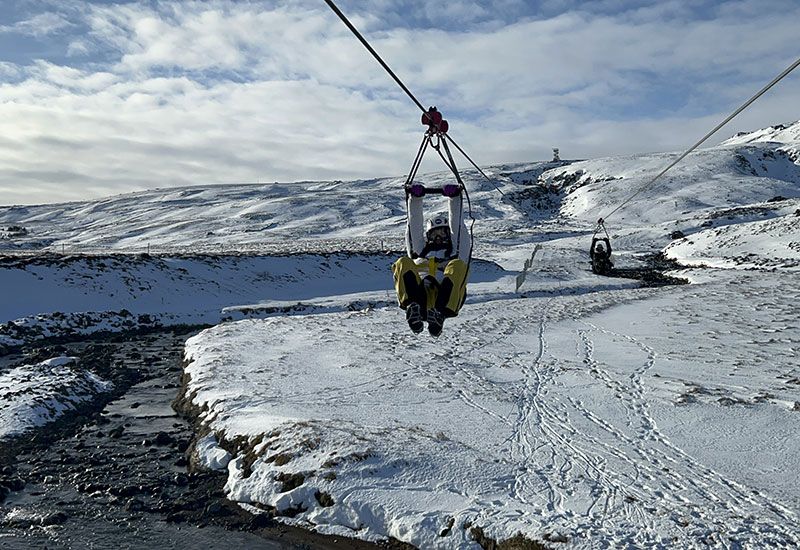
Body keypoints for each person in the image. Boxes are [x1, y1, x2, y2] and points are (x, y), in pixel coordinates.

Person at [392, 183, 471, 337]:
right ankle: (412, 307)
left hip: (446, 295)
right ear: (428, 236)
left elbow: (458, 227)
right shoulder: (419, 250)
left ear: (448, 234)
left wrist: (454, 198)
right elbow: (413, 226)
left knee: (457, 266)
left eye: (442, 233)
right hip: (420, 295)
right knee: (403, 262)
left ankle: (439, 315)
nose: (438, 238)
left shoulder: (457, 251)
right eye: (434, 234)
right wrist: (415, 198)